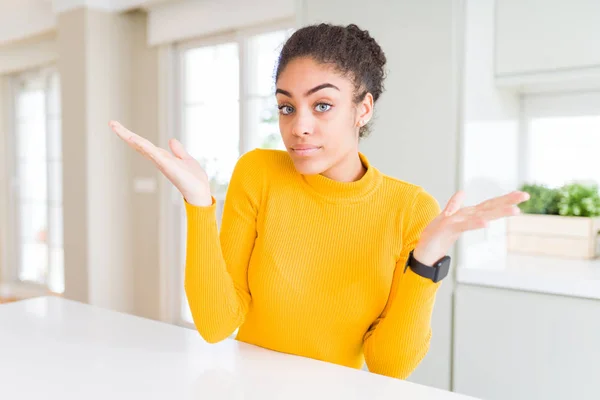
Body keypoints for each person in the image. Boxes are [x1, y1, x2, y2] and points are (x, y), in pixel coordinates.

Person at [109, 23, 529, 379]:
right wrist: (199, 203)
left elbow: (389, 366)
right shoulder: (258, 173)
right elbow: (217, 324)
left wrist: (428, 258)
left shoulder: (410, 208)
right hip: (248, 387)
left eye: (322, 105)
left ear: (363, 109)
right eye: (286, 107)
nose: (299, 127)